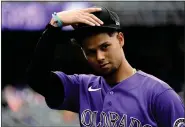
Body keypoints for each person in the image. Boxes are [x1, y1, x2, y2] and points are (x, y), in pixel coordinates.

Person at [27, 6, 185, 127]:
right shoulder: (81, 87)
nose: (99, 57)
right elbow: (37, 79)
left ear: (120, 39)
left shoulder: (160, 94)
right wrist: (55, 24)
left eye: (105, 47)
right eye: (91, 52)